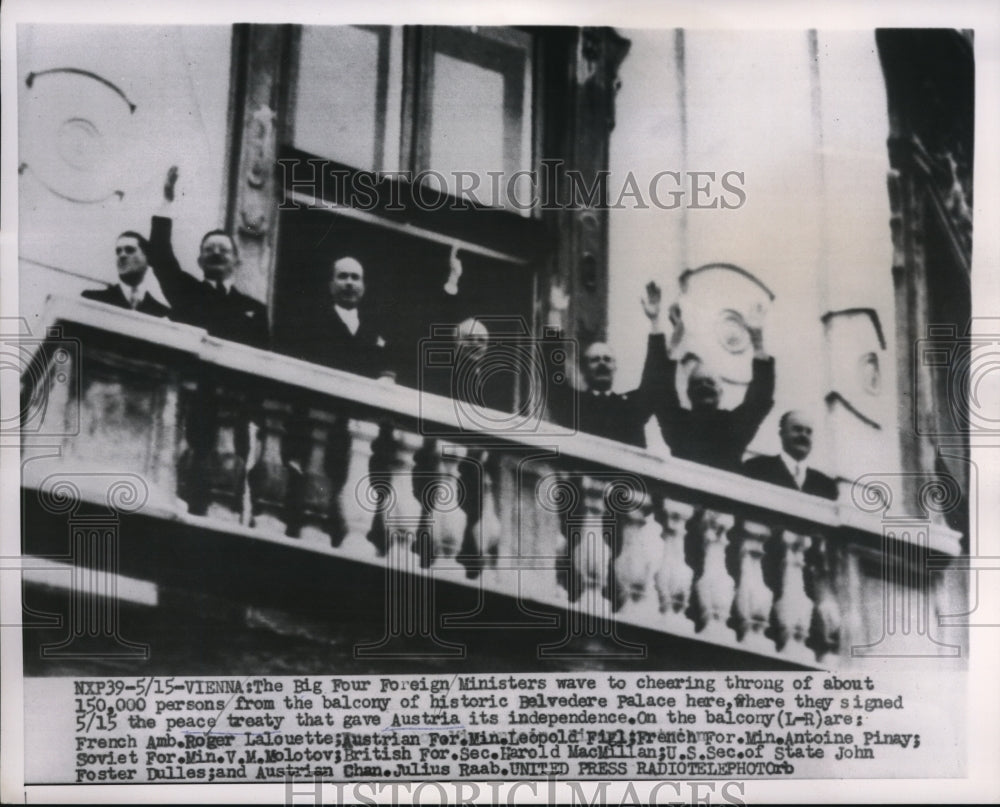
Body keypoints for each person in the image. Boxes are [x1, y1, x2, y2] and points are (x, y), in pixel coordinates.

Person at [645, 282, 775, 472]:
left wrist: (757, 340)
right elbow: (659, 388)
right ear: (688, 392)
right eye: (698, 383)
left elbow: (759, 399)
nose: (704, 386)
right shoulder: (679, 425)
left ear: (721, 392)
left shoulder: (732, 426)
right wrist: (662, 328)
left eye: (710, 382)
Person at [147, 167, 269, 349]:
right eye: (209, 249)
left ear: (236, 260)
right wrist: (167, 201)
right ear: (200, 261)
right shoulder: (186, 291)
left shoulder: (254, 309)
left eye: (224, 250)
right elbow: (160, 256)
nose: (217, 253)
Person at [293, 256, 393, 380]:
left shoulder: (375, 328)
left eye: (355, 277)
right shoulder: (313, 323)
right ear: (331, 285)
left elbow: (387, 372)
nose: (349, 282)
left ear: (363, 287)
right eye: (343, 276)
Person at [742, 410, 839, 499]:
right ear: (782, 433)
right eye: (797, 429)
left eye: (808, 432)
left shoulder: (826, 485)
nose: (804, 435)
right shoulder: (757, 468)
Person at [81, 231, 170, 316]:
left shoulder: (161, 313)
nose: (122, 255)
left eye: (130, 250)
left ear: (147, 257)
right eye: (118, 251)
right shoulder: (92, 299)